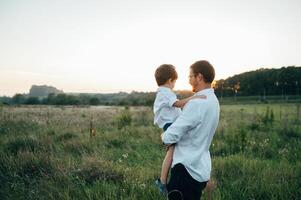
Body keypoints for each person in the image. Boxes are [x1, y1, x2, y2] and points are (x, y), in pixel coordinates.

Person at [162, 60, 220, 200]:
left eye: (190, 76)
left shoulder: (196, 104)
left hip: (186, 170)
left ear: (199, 77)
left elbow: (169, 137)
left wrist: (164, 135)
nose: (189, 80)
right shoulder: (214, 101)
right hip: (201, 169)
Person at [153, 64, 206, 194]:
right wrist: (194, 98)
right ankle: (163, 181)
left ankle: (167, 179)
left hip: (172, 124)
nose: (174, 84)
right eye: (174, 82)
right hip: (170, 125)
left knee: (174, 152)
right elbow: (178, 104)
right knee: (171, 153)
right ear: (170, 80)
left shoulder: (164, 93)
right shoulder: (165, 93)